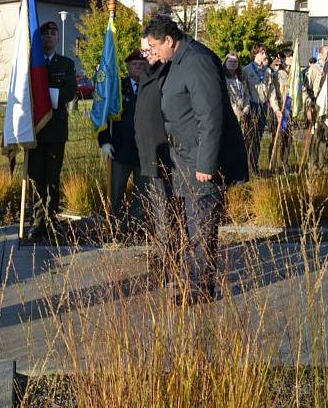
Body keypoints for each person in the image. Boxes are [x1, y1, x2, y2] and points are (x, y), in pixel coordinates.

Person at [143, 15, 248, 304]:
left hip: (200, 165)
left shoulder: (197, 61)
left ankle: (201, 288)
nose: (152, 51)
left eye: (154, 45)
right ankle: (194, 281)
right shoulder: (176, 61)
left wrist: (206, 164)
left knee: (201, 229)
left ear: (169, 40)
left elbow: (210, 117)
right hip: (184, 159)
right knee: (191, 226)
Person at [25, 20, 77, 242]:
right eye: (45, 34)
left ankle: (50, 219)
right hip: (35, 131)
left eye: (53, 34)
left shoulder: (65, 64)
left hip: (55, 131)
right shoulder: (31, 63)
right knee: (35, 177)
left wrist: (46, 97)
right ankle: (36, 221)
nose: (49, 37)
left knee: (53, 179)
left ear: (57, 38)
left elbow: (70, 92)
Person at [133, 41, 175, 273]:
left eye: (149, 50)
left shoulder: (165, 73)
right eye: (144, 51)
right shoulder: (149, 73)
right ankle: (162, 252)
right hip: (150, 153)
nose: (146, 55)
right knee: (157, 208)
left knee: (165, 209)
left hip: (164, 154)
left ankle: (167, 257)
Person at [98, 50, 148, 227]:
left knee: (142, 192)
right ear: (127, 67)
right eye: (135, 65)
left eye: (142, 65)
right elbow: (104, 115)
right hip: (120, 149)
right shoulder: (117, 89)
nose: (139, 68)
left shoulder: (151, 86)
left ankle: (137, 225)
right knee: (116, 190)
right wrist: (104, 141)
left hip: (144, 150)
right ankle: (113, 225)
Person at [242, 44, 273, 175]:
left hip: (263, 106)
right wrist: (245, 108)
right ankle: (246, 167)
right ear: (255, 54)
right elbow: (244, 91)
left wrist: (275, 109)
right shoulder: (246, 70)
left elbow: (271, 92)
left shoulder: (268, 71)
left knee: (258, 138)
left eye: (265, 53)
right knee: (249, 138)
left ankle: (254, 166)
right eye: (261, 53)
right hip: (252, 106)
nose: (264, 55)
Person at [303, 44, 328, 166]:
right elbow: (306, 88)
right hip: (317, 105)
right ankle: (312, 162)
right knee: (316, 135)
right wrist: (309, 106)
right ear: (321, 54)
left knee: (327, 135)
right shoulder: (314, 69)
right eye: (327, 52)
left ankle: (322, 162)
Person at [268, 49, 294, 166]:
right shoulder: (278, 74)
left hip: (290, 110)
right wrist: (278, 109)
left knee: (288, 138)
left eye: (292, 56)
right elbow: (274, 92)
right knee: (277, 137)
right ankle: (272, 163)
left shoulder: (295, 73)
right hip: (280, 109)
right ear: (283, 59)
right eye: (289, 56)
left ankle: (285, 163)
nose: (292, 58)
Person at [223, 54, 251, 130]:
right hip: (229, 115)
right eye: (230, 61)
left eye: (235, 61)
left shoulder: (241, 78)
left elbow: (246, 95)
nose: (233, 63)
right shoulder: (222, 78)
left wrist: (246, 109)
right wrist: (237, 111)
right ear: (225, 63)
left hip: (243, 115)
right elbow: (225, 97)